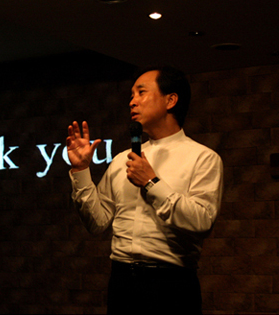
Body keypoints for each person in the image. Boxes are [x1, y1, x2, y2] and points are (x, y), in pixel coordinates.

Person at [67, 66, 223, 314]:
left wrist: (151, 182)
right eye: (131, 95)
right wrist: (81, 170)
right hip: (122, 281)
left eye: (141, 92)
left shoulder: (203, 158)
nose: (132, 101)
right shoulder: (122, 160)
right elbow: (97, 222)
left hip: (172, 285)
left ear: (170, 100)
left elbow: (202, 221)